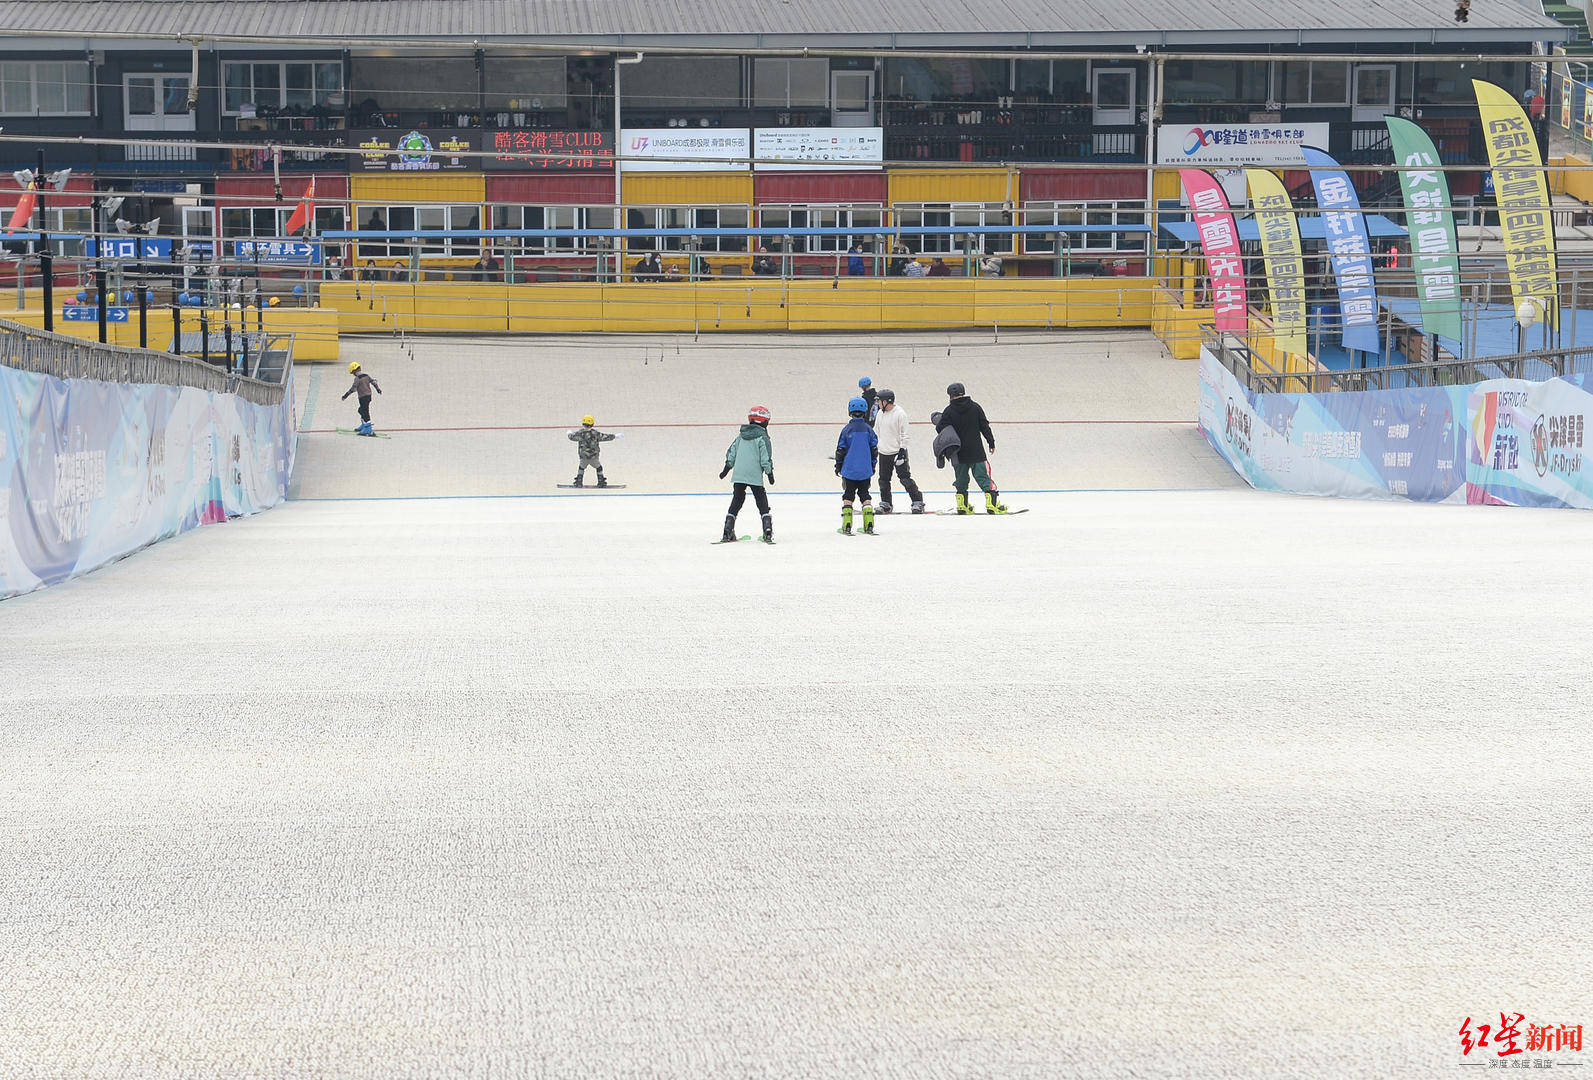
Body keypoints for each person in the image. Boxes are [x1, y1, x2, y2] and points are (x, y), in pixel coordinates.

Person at [935, 381, 1007, 514]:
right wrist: (991, 442)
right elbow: (984, 426)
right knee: (983, 477)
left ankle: (962, 506)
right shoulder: (975, 407)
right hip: (976, 451)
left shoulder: (948, 411)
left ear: (950, 395)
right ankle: (992, 505)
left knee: (961, 480)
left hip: (957, 452)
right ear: (963, 392)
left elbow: (941, 429)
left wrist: (939, 420)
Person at [718, 405, 775, 543]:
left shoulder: (740, 436)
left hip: (739, 475)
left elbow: (731, 453)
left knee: (737, 500)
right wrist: (769, 473)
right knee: (761, 501)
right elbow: (765, 458)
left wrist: (726, 468)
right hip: (754, 475)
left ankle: (727, 530)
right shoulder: (763, 438)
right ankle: (767, 529)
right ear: (764, 422)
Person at [873, 389, 926, 514]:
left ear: (886, 401)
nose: (877, 404)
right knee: (883, 480)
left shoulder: (900, 414)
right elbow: (877, 431)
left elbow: (905, 434)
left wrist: (902, 450)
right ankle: (886, 503)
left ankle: (917, 501)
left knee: (905, 478)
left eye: (879, 401)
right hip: (884, 452)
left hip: (898, 452)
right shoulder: (880, 413)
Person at [835, 395, 879, 535]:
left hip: (849, 470)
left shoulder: (847, 430)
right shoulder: (868, 430)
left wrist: (838, 466)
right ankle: (869, 524)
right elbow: (874, 449)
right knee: (865, 494)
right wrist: (872, 465)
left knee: (848, 495)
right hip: (865, 470)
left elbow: (841, 450)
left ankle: (847, 525)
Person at [566, 414, 621, 487]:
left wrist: (569, 433)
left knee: (581, 468)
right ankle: (601, 481)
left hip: (583, 456)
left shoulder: (580, 433)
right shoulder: (595, 433)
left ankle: (579, 481)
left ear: (583, 424)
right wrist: (615, 436)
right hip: (594, 456)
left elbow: (572, 437)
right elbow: (605, 437)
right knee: (599, 468)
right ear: (592, 424)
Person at [340, 361, 382, 435]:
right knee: (361, 410)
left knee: (365, 412)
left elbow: (353, 389)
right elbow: (374, 382)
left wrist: (345, 395)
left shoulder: (357, 379)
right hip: (369, 396)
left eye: (353, 373)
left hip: (362, 397)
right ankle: (364, 425)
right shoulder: (366, 375)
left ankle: (368, 429)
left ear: (354, 371)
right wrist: (378, 389)